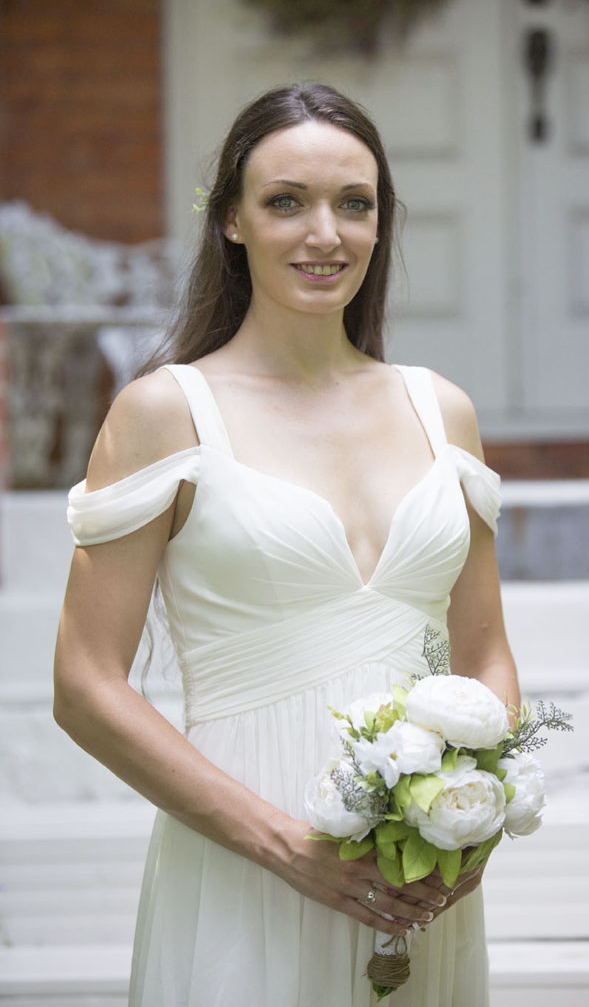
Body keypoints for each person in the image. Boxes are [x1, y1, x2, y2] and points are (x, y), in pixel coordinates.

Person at [54, 82, 520, 1007]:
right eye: (285, 202)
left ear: (382, 224)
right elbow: (84, 685)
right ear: (230, 221)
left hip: (413, 877)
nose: (326, 233)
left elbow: (485, 653)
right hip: (244, 860)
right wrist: (283, 845)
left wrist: (473, 811)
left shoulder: (441, 412)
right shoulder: (165, 412)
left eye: (355, 204)